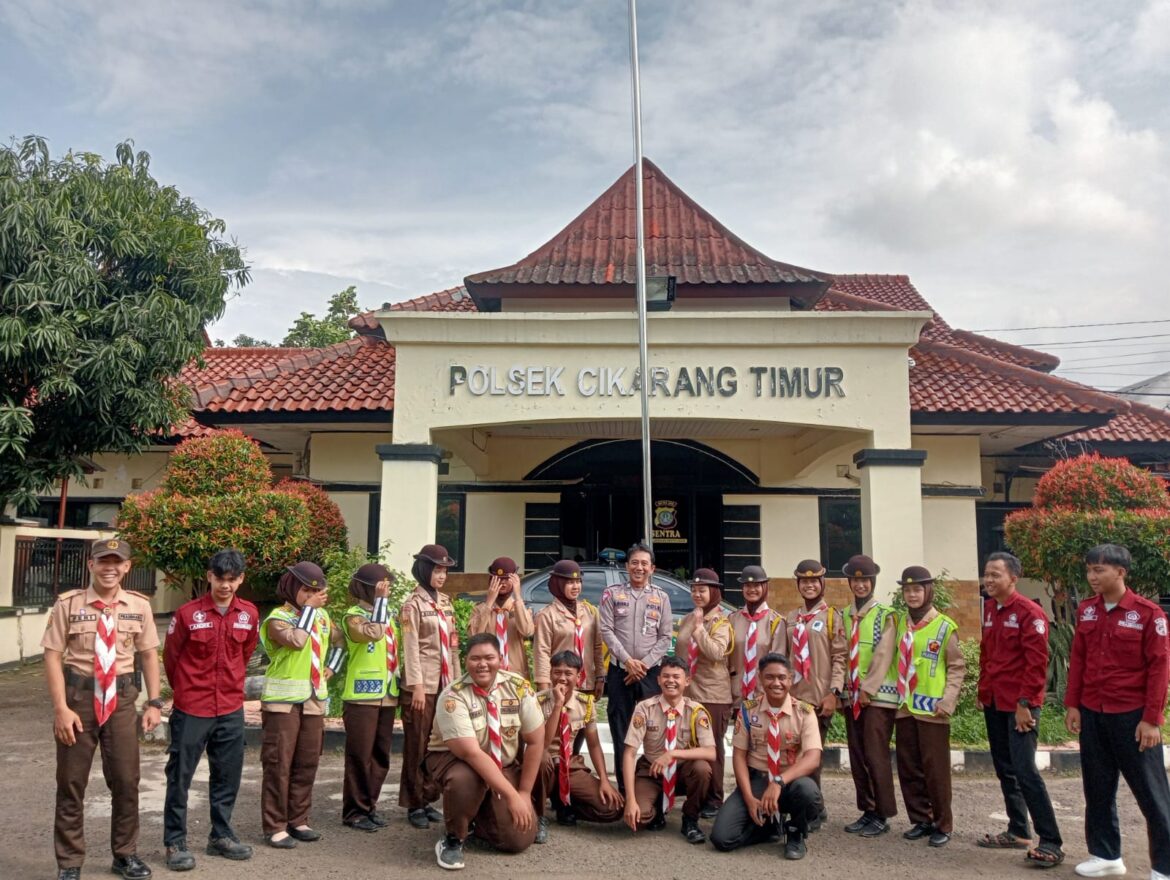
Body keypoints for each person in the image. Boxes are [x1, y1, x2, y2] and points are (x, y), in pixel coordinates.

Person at [41, 537, 163, 880]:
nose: (110, 568)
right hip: (79, 700)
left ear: (127, 566)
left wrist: (154, 702)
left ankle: (125, 855)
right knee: (71, 782)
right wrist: (60, 708)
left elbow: (149, 654)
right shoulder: (68, 604)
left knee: (126, 780)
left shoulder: (139, 606)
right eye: (103, 561)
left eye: (117, 562)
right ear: (91, 565)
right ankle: (69, 863)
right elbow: (52, 656)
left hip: (122, 701)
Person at [1064, 544, 1170, 880]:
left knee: (1152, 796)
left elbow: (1160, 668)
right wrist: (1073, 704)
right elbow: (1078, 658)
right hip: (1094, 712)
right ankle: (1105, 854)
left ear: (1120, 572)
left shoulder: (1147, 613)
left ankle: (1164, 867)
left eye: (1100, 570)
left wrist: (1152, 719)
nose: (1092, 576)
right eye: (1089, 569)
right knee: (1097, 788)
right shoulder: (1087, 611)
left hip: (1132, 716)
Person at [161, 548, 259, 870]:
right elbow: (171, 659)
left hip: (230, 707)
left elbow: (244, 654)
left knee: (227, 775)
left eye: (232, 579)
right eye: (220, 578)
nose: (226, 585)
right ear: (209, 576)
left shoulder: (249, 614)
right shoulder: (188, 614)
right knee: (180, 777)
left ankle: (221, 835)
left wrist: (229, 687)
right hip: (192, 708)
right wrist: (188, 691)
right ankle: (175, 842)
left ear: (241, 579)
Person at [424, 632, 545, 871]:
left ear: (500, 658)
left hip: (502, 761)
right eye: (475, 658)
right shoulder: (453, 695)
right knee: (466, 778)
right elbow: (471, 753)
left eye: (489, 657)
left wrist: (523, 792)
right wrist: (510, 796)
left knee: (517, 840)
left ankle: (480, 816)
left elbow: (535, 741)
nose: (482, 664)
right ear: (466, 660)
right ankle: (453, 838)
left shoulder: (518, 687)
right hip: (455, 760)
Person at [977, 551, 1064, 867]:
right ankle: (1018, 831)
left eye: (995, 574)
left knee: (1026, 770)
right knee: (1005, 769)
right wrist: (982, 690)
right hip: (994, 701)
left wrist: (1026, 704)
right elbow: (988, 653)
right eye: (986, 574)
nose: (988, 580)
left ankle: (1051, 841)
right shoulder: (989, 608)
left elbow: (1036, 663)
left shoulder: (1030, 613)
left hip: (1020, 706)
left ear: (1013, 577)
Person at [259, 561, 343, 849]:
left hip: (313, 700)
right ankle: (274, 825)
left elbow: (340, 642)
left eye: (316, 591)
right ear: (293, 588)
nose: (312, 595)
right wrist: (310, 610)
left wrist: (332, 666)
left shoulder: (321, 617)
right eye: (307, 590)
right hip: (282, 702)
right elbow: (296, 641)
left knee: (307, 762)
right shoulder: (276, 618)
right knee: (278, 764)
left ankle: (298, 819)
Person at [710, 653, 823, 860]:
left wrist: (779, 782)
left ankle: (795, 832)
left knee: (808, 791)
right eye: (770, 677)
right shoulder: (747, 710)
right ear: (760, 678)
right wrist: (748, 798)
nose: (776, 683)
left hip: (789, 782)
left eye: (782, 677)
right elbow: (739, 756)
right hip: (758, 780)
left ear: (790, 679)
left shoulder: (804, 712)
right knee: (722, 839)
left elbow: (812, 758)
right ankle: (769, 829)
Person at [884, 566, 965, 847]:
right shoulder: (898, 625)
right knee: (908, 767)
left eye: (917, 589)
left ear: (928, 591)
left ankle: (943, 823)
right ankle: (921, 819)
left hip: (933, 710)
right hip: (904, 706)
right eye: (907, 590)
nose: (912, 595)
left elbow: (956, 666)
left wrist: (948, 700)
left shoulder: (944, 626)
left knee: (935, 770)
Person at [621, 655, 717, 845]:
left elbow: (710, 752)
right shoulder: (645, 708)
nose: (670, 681)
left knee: (702, 769)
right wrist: (630, 800)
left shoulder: (696, 711)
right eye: (665, 676)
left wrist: (673, 754)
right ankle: (656, 808)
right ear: (658, 679)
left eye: (676, 677)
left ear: (687, 681)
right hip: (651, 771)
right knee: (637, 819)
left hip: (682, 772)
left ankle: (690, 819)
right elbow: (629, 753)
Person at [599, 542, 673, 785]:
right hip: (620, 672)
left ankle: (654, 790)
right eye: (634, 563)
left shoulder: (661, 597)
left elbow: (665, 638)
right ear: (627, 566)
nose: (639, 568)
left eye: (644, 563)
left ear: (652, 568)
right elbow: (607, 630)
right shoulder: (612, 594)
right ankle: (624, 787)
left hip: (650, 674)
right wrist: (628, 662)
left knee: (653, 731)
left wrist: (642, 666)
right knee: (621, 730)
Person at [399, 544, 462, 830]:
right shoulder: (412, 605)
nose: (441, 575)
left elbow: (453, 646)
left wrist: (458, 684)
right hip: (423, 685)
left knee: (437, 744)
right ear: (425, 570)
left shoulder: (445, 602)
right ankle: (414, 803)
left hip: (446, 683)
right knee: (417, 744)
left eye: (445, 570)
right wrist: (417, 687)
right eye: (437, 570)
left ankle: (428, 796)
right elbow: (410, 648)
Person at [838, 554, 899, 838]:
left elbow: (884, 655)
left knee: (876, 756)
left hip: (876, 698)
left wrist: (867, 690)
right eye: (856, 580)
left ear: (872, 582)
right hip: (852, 697)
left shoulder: (885, 615)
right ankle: (867, 809)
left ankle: (882, 813)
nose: (860, 585)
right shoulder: (844, 615)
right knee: (858, 754)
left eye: (865, 580)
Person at [339, 563, 401, 832]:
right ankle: (354, 811)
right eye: (380, 586)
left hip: (387, 694)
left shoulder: (388, 614)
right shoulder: (353, 616)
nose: (385, 591)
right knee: (359, 755)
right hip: (362, 696)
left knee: (380, 755)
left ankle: (369, 806)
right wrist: (382, 604)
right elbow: (372, 633)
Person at [786, 558, 846, 829]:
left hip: (818, 699)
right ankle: (807, 805)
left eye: (814, 581)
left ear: (822, 583)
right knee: (793, 756)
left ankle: (814, 809)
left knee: (811, 758)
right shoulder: (791, 617)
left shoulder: (832, 617)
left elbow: (840, 658)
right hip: (793, 699)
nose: (809, 585)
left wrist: (833, 692)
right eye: (804, 581)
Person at [535, 650, 624, 831]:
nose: (562, 678)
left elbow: (594, 745)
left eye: (568, 673)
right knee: (542, 758)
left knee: (613, 808)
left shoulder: (586, 704)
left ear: (579, 676)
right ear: (550, 674)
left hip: (569, 765)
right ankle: (539, 815)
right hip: (543, 766)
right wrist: (558, 705)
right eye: (557, 672)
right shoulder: (538, 701)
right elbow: (542, 743)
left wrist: (605, 781)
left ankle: (566, 805)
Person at [675, 568, 734, 817]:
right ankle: (695, 794)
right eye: (695, 590)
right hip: (689, 693)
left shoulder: (722, 621)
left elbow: (717, 653)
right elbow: (679, 653)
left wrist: (700, 629)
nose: (698, 594)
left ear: (714, 592)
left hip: (713, 695)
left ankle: (714, 798)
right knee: (692, 745)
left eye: (703, 590)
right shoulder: (688, 618)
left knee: (713, 748)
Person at [534, 559, 605, 696]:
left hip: (586, 683)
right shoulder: (547, 615)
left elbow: (597, 646)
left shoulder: (589, 611)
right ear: (558, 584)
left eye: (578, 582)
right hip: (559, 684)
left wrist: (600, 676)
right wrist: (544, 686)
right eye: (570, 582)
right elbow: (542, 652)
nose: (576, 587)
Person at [727, 564, 786, 706]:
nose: (752, 590)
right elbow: (727, 659)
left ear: (764, 587)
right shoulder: (732, 619)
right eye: (747, 585)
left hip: (764, 695)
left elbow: (778, 662)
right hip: (737, 695)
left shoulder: (776, 621)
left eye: (756, 585)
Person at [467, 557, 533, 677]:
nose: (502, 583)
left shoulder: (518, 607)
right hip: (488, 674)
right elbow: (474, 638)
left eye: (507, 579)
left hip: (515, 674)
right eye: (498, 579)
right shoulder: (480, 609)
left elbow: (527, 631)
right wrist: (489, 603)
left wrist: (518, 596)